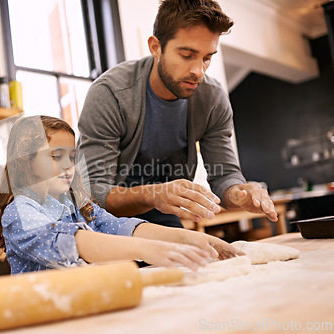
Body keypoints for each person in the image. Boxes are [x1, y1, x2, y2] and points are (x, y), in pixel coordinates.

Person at [77, 0, 278, 228]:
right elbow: (93, 192)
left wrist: (239, 193)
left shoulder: (212, 99)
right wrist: (153, 194)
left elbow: (224, 175)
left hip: (160, 211)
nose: (198, 71)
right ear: (155, 47)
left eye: (206, 58)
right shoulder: (110, 94)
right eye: (186, 55)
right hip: (101, 221)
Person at [0, 115, 243, 274]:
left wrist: (193, 240)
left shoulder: (77, 206)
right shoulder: (20, 213)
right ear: (25, 162)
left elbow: (122, 227)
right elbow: (73, 243)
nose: (67, 166)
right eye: (56, 156)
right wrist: (149, 250)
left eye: (72, 157)